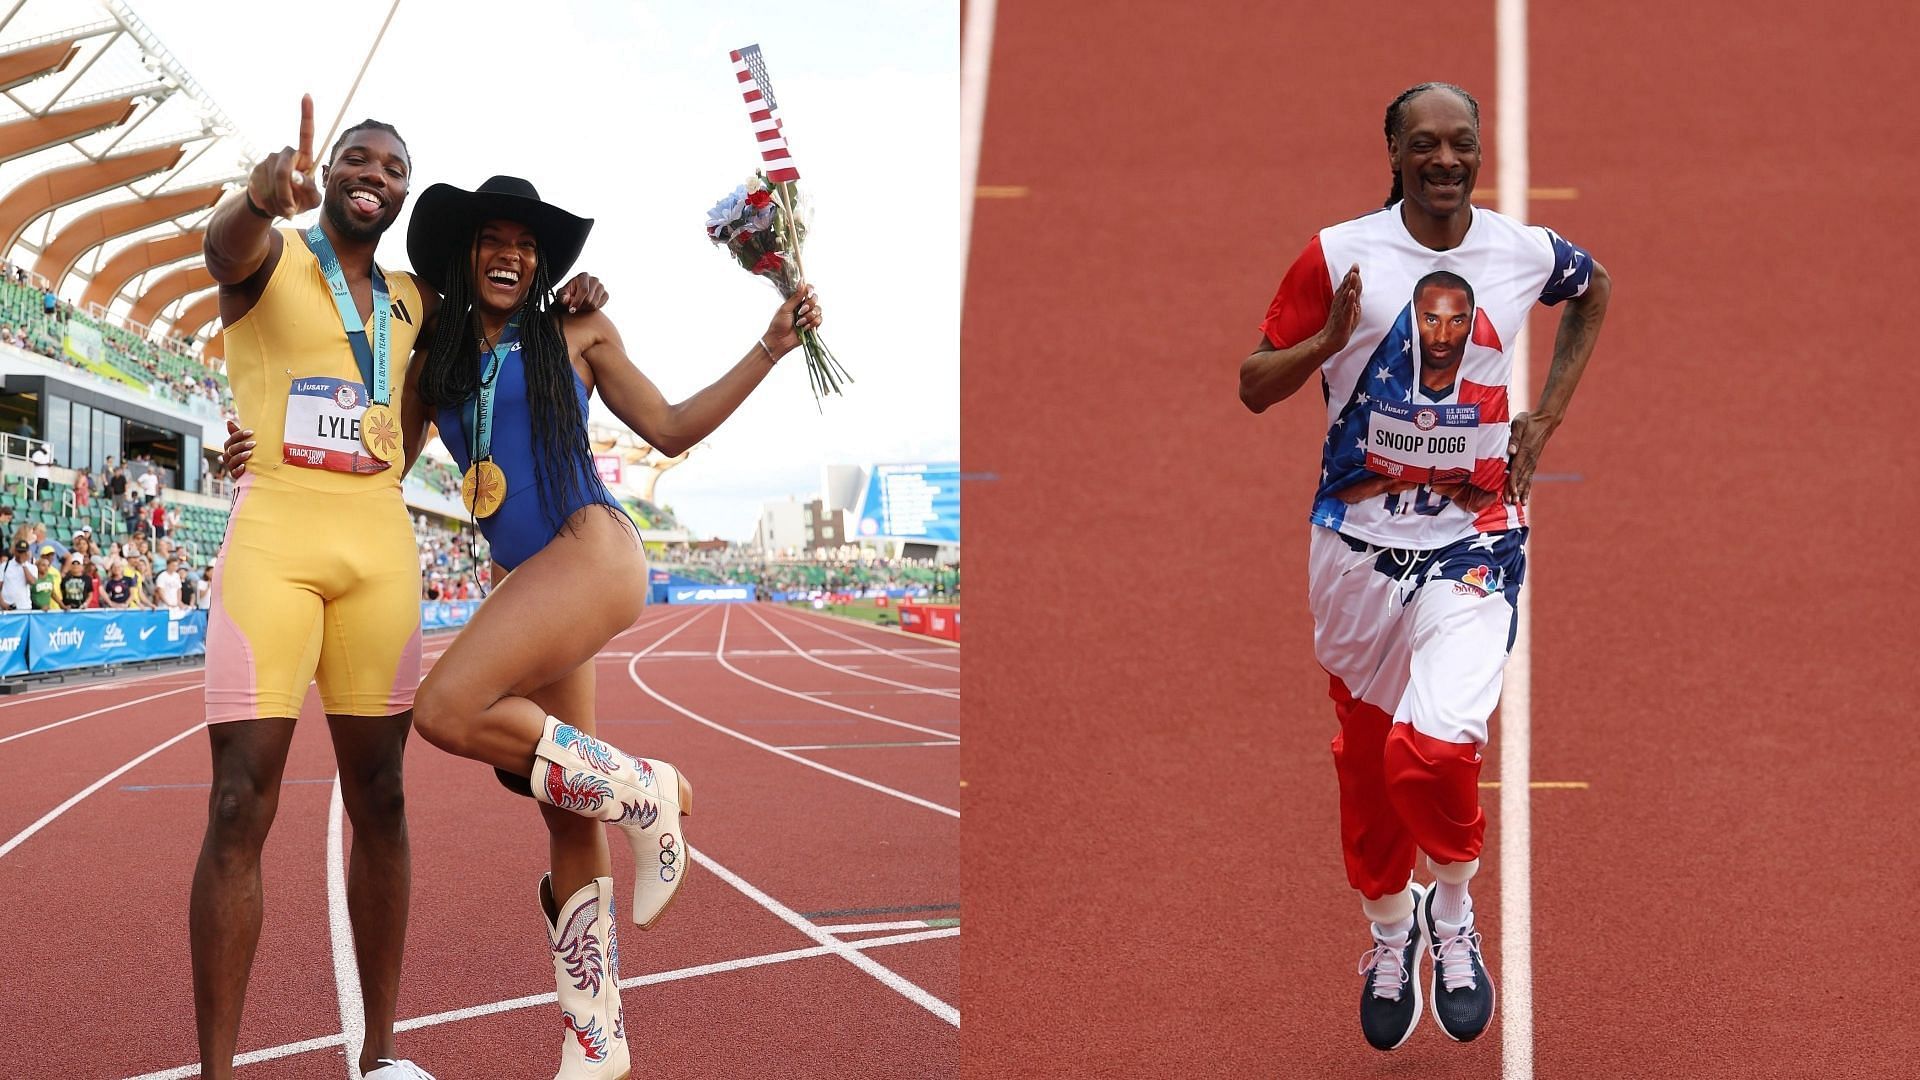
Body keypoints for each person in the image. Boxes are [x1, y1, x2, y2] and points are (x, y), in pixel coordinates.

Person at [225, 174, 816, 1078]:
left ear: (544, 264)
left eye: (528, 245)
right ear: (466, 254)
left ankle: (646, 790)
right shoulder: (437, 358)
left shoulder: (576, 329)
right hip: (527, 581)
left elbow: (667, 426)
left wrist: (769, 346)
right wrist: (261, 438)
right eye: (494, 240)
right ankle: (597, 1042)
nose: (512, 255)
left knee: (444, 710)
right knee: (564, 806)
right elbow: (374, 450)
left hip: (590, 553)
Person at [194, 97, 607, 1080]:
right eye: (356, 159)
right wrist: (258, 190)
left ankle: (380, 1057)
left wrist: (571, 300)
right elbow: (222, 245)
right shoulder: (270, 254)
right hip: (274, 548)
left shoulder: (420, 303)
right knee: (238, 802)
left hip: (379, 553)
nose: (371, 173)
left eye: (391, 166)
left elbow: (495, 332)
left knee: (381, 796)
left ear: (404, 193)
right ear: (327, 171)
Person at [1236, 82, 1611, 1051]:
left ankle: (1452, 911)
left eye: (1462, 144)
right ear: (1395, 151)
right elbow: (1253, 384)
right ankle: (1389, 934)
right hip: (1355, 554)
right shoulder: (1339, 252)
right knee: (1368, 773)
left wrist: (1549, 414)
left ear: (1478, 151)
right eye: (1425, 144)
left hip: (1476, 545)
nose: (1446, 160)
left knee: (1434, 748)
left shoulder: (1523, 254)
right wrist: (1329, 339)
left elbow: (1594, 286)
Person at [2, 538, 35, 611]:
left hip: (24, 607)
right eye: (19, 552)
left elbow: (32, 581)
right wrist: (2, 603)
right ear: (15, 551)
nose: (21, 554)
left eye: (23, 552)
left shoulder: (31, 567)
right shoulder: (4, 566)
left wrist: (23, 564)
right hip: (7, 607)